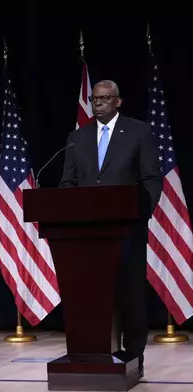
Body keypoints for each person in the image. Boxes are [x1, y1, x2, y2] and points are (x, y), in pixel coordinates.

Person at [59, 80, 162, 378]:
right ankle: (93, 355)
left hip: (127, 230)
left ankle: (133, 357)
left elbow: (152, 179)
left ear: (118, 101)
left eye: (105, 98)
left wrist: (140, 214)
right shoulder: (77, 137)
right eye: (95, 99)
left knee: (130, 296)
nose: (98, 103)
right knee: (91, 296)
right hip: (87, 236)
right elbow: (68, 183)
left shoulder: (138, 131)